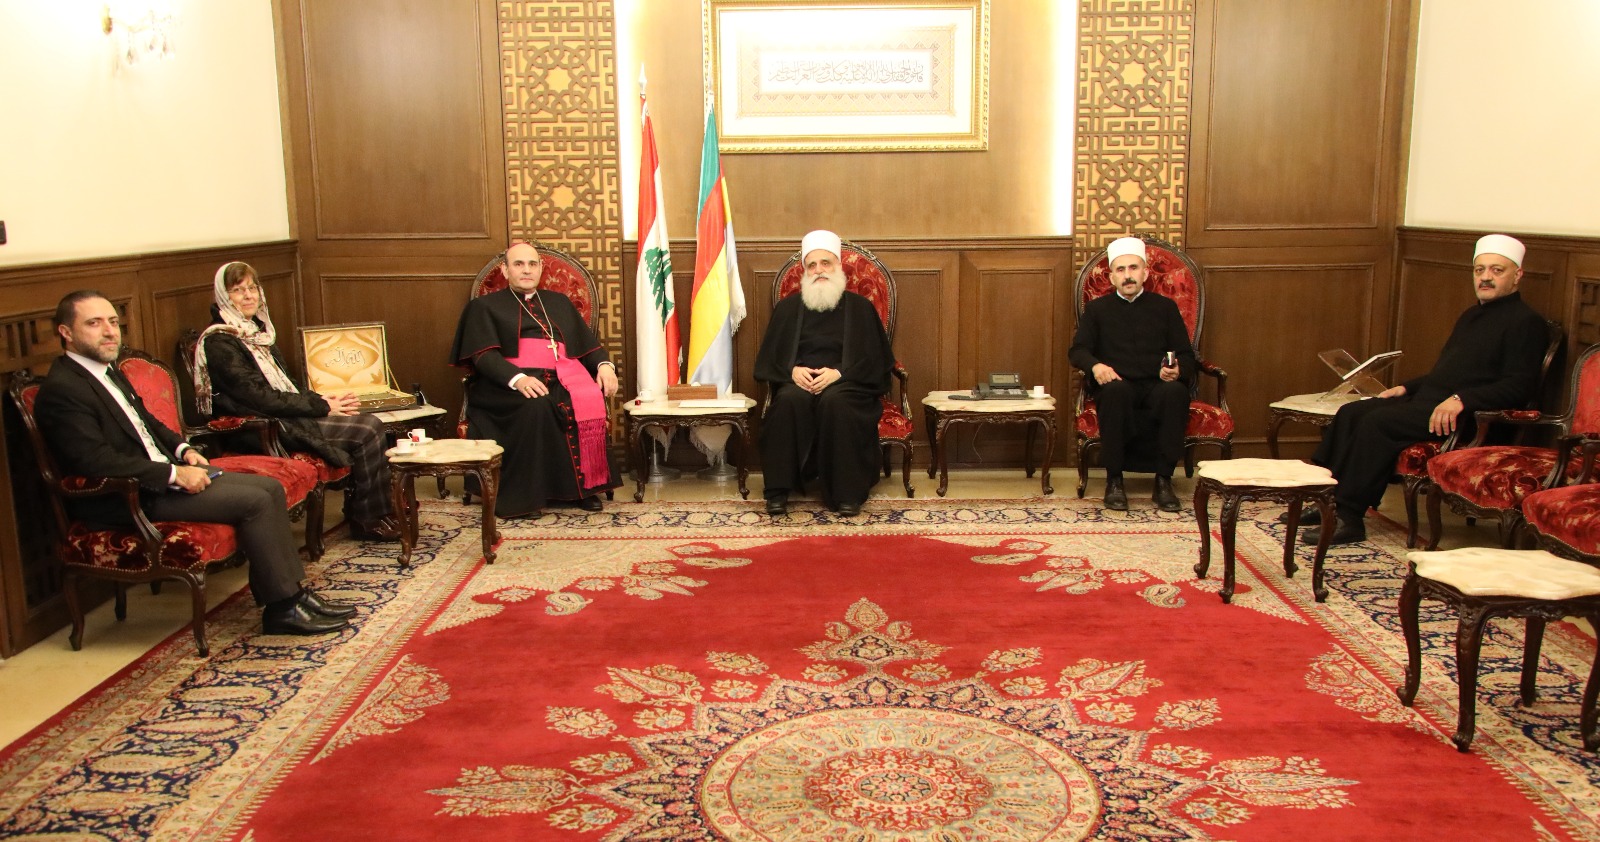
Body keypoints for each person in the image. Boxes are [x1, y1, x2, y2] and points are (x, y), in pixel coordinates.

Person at [35, 291, 353, 636]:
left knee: (270, 488)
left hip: (160, 476)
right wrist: (174, 473)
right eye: (94, 323)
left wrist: (183, 448)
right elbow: (95, 461)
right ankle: (283, 608)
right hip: (129, 495)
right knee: (256, 501)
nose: (110, 331)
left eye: (113, 322)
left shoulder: (107, 371)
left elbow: (147, 423)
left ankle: (291, 596)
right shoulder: (63, 389)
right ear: (66, 332)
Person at [1304, 233, 1548, 545]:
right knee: (1352, 411)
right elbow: (1447, 373)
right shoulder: (1471, 315)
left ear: (1517, 275)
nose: (1485, 277)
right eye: (1479, 270)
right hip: (1432, 403)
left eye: (1496, 270)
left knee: (1377, 422)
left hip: (1469, 416)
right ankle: (1326, 500)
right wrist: (1405, 387)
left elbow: (1518, 386)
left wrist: (1462, 399)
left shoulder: (1526, 322)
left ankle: (1349, 517)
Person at [193, 261, 399, 542]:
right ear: (223, 297)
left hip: (284, 416)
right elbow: (260, 398)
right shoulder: (220, 342)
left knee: (367, 421)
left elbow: (285, 384)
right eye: (238, 290)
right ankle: (367, 519)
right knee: (366, 428)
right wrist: (321, 407)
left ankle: (374, 510)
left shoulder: (256, 332)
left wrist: (320, 398)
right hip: (259, 427)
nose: (249, 295)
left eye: (252, 288)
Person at [449, 241, 620, 517]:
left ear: (541, 269)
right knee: (536, 405)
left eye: (532, 264)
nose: (526, 270)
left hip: (562, 377)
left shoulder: (559, 303)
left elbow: (588, 346)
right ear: (505, 270)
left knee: (577, 401)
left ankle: (582, 490)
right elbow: (483, 356)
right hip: (505, 386)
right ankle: (523, 498)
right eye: (518, 264)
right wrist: (517, 379)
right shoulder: (484, 307)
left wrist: (604, 366)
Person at [754, 230, 894, 517]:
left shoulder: (861, 308)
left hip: (847, 384)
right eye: (812, 265)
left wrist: (840, 374)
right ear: (805, 272)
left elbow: (875, 360)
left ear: (838, 266)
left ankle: (847, 494)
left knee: (836, 402)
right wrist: (792, 371)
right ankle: (777, 492)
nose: (819, 270)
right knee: (789, 400)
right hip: (799, 382)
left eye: (825, 263)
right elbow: (768, 358)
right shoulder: (788, 309)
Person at [1069, 236, 1195, 512]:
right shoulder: (1097, 310)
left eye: (1133, 268)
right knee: (1115, 392)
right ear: (1112, 277)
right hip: (1117, 382)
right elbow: (1078, 351)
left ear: (1145, 273)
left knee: (1175, 393)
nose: (1128, 275)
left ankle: (1164, 481)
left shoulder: (1165, 308)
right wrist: (1096, 366)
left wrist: (1177, 370)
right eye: (1121, 269)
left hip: (1157, 384)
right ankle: (1114, 480)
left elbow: (1187, 355)